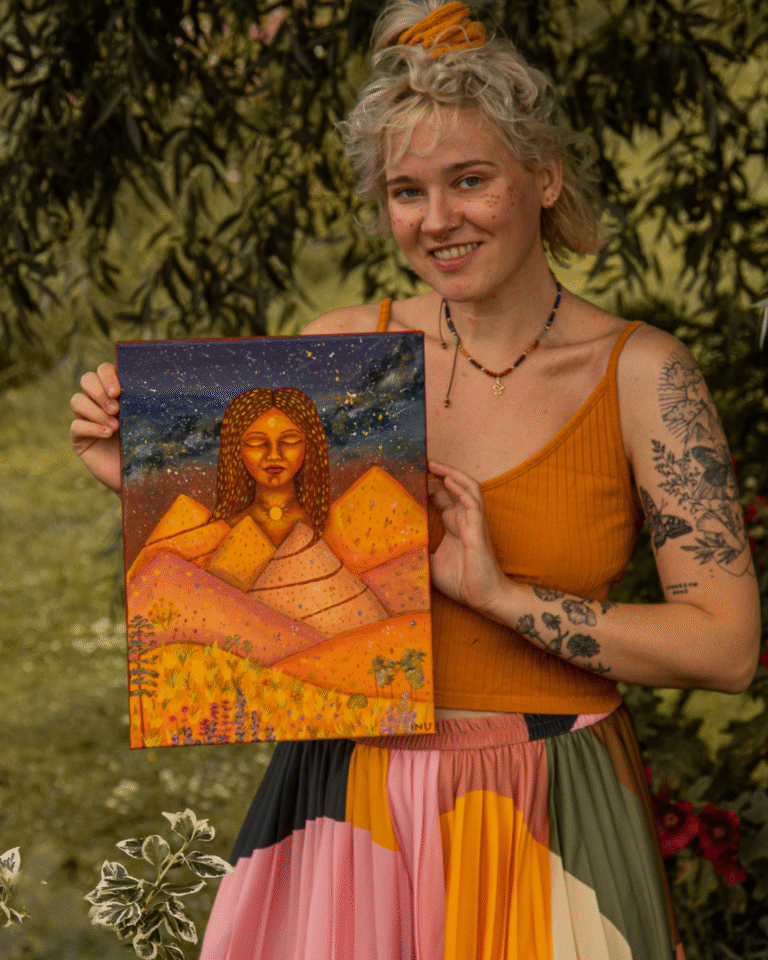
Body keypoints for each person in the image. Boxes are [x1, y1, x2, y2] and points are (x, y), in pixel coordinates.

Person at [70, 1, 760, 957]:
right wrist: (146, 482)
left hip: (547, 802)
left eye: (470, 180)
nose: (437, 221)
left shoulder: (643, 376)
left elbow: (724, 649)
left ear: (544, 177)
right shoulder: (339, 359)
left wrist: (502, 597)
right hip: (347, 802)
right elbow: (280, 600)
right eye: (406, 191)